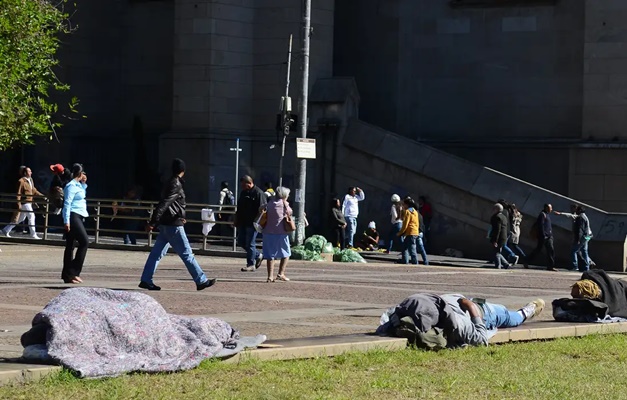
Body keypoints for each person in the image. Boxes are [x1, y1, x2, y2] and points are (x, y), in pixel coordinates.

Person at [139, 158, 217, 291]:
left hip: (167, 223)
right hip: (173, 225)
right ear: (183, 170)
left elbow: (170, 204)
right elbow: (165, 203)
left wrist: (177, 217)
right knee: (187, 254)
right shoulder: (175, 184)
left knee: (156, 253)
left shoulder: (170, 182)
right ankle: (201, 280)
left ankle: (146, 279)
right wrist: (152, 222)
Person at [61, 164, 89, 284]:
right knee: (84, 241)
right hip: (73, 215)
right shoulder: (71, 186)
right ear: (79, 173)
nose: (84, 175)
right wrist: (66, 221)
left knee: (70, 245)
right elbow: (67, 204)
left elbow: (82, 194)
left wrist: (83, 183)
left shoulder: (79, 185)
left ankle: (68, 274)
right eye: (83, 173)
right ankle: (73, 271)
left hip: (80, 214)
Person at [1, 166, 44, 239]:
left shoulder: (30, 180)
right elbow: (18, 193)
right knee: (31, 216)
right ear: (25, 172)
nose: (31, 172)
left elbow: (33, 190)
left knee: (21, 218)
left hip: (30, 202)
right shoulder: (21, 181)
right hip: (24, 202)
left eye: (30, 171)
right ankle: (33, 234)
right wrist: (18, 203)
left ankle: (6, 229)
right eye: (29, 171)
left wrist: (42, 196)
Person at [235, 175, 267, 272]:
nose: (242, 187)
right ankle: (258, 255)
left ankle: (250, 264)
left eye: (244, 185)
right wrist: (236, 219)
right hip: (243, 221)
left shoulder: (259, 193)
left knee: (250, 243)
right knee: (241, 241)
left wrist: (258, 222)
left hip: (253, 223)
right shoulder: (243, 193)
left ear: (249, 183)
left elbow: (263, 209)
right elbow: (239, 207)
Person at [262, 186, 292, 282]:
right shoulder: (284, 204)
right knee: (286, 253)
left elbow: (260, 208)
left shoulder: (269, 203)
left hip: (268, 232)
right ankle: (280, 273)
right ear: (284, 195)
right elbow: (290, 212)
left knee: (270, 255)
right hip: (281, 232)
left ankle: (270, 276)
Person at [554, 204, 595, 270]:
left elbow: (580, 229)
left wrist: (578, 239)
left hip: (584, 236)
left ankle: (575, 266)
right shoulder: (584, 216)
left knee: (574, 250)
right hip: (588, 235)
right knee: (584, 250)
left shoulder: (580, 217)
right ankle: (588, 264)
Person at [526, 203, 557, 271]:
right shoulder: (542, 214)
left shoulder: (547, 215)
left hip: (549, 236)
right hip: (544, 236)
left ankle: (550, 266)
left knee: (550, 251)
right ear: (546, 208)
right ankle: (527, 261)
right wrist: (543, 235)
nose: (551, 209)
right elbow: (541, 225)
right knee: (538, 250)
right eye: (550, 208)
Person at [398, 197, 420, 265]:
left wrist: (400, 233)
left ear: (407, 205)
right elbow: (417, 223)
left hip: (410, 232)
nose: (403, 206)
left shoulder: (407, 212)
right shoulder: (415, 212)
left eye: (404, 204)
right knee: (406, 247)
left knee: (412, 249)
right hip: (415, 231)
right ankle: (405, 260)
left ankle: (414, 262)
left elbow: (405, 224)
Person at [497, 199, 519, 266]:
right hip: (508, 230)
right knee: (504, 245)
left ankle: (512, 255)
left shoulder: (504, 211)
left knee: (503, 245)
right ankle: (505, 260)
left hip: (505, 230)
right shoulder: (509, 211)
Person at [489, 203, 511, 270]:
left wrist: (495, 240)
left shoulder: (496, 217)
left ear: (496, 209)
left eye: (494, 208)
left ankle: (498, 265)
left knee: (496, 252)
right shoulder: (504, 217)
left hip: (499, 237)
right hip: (504, 236)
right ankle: (505, 264)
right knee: (497, 251)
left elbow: (497, 229)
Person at [508, 204, 529, 268]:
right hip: (517, 231)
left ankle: (515, 257)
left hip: (513, 231)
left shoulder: (512, 215)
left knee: (510, 245)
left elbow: (511, 224)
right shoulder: (518, 214)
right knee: (513, 245)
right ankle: (523, 259)